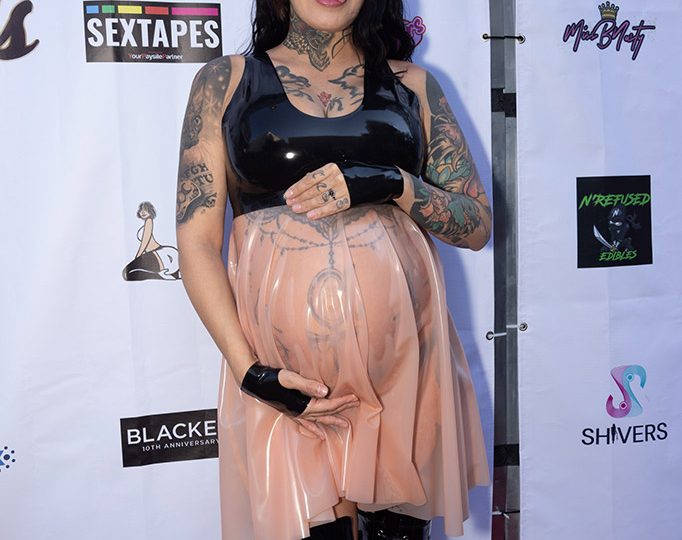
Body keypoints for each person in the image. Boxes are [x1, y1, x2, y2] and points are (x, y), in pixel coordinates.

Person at [175, 1, 492, 539]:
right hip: (285, 384)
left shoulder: (413, 86)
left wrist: (392, 182)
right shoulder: (225, 83)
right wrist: (250, 372)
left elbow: (476, 225)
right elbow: (197, 243)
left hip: (402, 382)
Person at [123, 201, 180, 281]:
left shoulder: (149, 221)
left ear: (150, 211)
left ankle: (161, 276)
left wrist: (138, 256)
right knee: (128, 274)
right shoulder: (147, 222)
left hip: (159, 254)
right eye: (141, 210)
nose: (143, 212)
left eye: (145, 210)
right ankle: (167, 275)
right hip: (157, 253)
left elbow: (145, 241)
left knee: (127, 274)